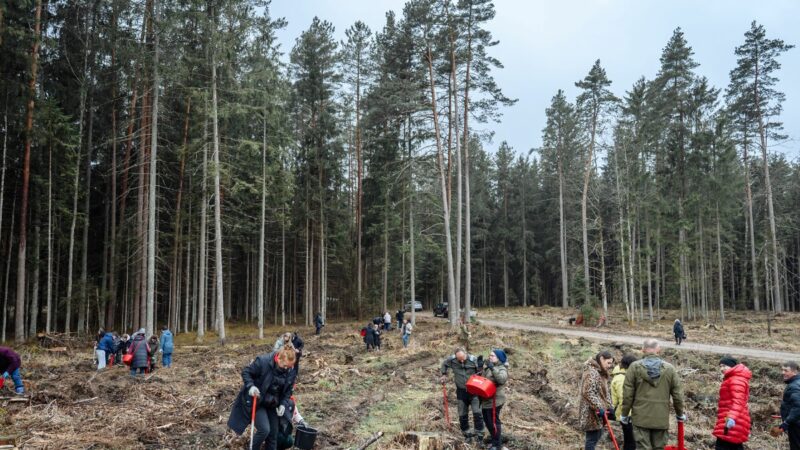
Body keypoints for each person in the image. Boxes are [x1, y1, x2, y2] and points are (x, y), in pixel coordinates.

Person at [227, 346, 297, 450]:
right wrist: (251, 386)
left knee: (273, 434)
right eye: (285, 366)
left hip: (273, 404)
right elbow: (246, 372)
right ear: (278, 359)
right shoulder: (263, 361)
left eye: (289, 366)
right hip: (257, 401)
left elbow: (287, 390)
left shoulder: (290, 370)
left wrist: (282, 404)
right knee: (264, 430)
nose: (286, 369)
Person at [621, 339, 685, 450]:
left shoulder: (634, 367)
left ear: (642, 350)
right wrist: (680, 414)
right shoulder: (670, 369)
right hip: (661, 418)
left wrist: (624, 414)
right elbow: (677, 395)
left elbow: (628, 394)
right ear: (658, 350)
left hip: (640, 417)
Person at [440, 347, 485, 440]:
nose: (461, 360)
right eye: (459, 359)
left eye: (463, 358)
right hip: (461, 391)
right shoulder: (452, 360)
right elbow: (444, 364)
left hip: (474, 391)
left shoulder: (473, 360)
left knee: (477, 413)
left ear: (466, 354)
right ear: (456, 357)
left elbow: (481, 374)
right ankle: (467, 434)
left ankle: (479, 434)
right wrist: (444, 374)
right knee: (462, 414)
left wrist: (480, 368)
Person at [712, 356, 751, 450]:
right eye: (720, 366)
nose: (721, 369)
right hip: (731, 419)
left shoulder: (735, 379)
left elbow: (738, 401)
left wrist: (732, 418)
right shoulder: (733, 378)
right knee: (733, 446)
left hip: (732, 420)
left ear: (732, 366)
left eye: (724, 366)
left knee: (723, 446)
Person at [580, 350, 615, 450]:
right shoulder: (591, 372)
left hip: (599, 412)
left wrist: (610, 407)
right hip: (591, 413)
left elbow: (605, 393)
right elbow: (587, 392)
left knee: (597, 435)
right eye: (608, 363)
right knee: (592, 439)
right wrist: (599, 407)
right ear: (601, 359)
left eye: (611, 363)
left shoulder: (601, 373)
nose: (609, 366)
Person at [481, 349, 509, 450]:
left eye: (492, 356)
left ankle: (497, 445)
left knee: (493, 422)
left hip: (495, 400)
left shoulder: (502, 368)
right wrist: (480, 367)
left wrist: (492, 368)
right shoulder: (489, 367)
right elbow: (483, 380)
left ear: (499, 358)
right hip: (486, 399)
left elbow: (501, 379)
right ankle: (494, 441)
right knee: (488, 422)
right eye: (490, 355)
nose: (490, 357)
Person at [611, 354, 638, 450]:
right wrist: (627, 415)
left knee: (630, 441)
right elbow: (624, 398)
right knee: (631, 443)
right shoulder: (621, 378)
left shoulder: (624, 375)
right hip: (626, 414)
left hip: (627, 413)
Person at [779, 361, 800, 450]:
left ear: (795, 372)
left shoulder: (794, 386)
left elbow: (798, 407)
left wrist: (787, 422)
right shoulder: (796, 382)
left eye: (786, 370)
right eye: (782, 370)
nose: (783, 373)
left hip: (796, 424)